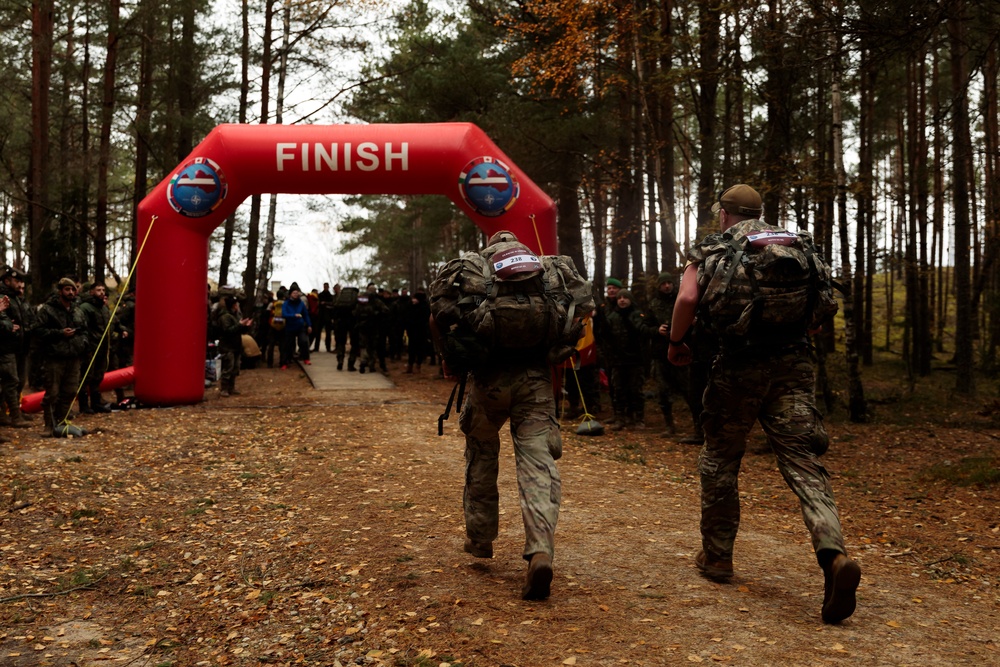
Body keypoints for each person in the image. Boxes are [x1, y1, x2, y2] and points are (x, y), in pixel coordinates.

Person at [668, 183, 860, 624]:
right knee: (803, 462)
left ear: (724, 214)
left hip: (737, 367)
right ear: (760, 212)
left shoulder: (715, 247)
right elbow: (820, 309)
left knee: (720, 458)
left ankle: (717, 556)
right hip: (792, 368)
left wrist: (676, 342)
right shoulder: (795, 246)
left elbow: (687, 298)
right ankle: (833, 555)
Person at [431, 230, 594, 601]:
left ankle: (480, 538)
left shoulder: (473, 269)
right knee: (538, 463)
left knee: (482, 453)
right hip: (535, 380)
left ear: (491, 247)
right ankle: (540, 549)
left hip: (487, 380)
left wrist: (450, 360)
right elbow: (583, 307)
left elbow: (438, 316)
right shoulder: (548, 272)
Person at [35, 278, 88, 437]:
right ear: (60, 291)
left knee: (70, 391)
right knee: (53, 392)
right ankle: (49, 425)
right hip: (55, 357)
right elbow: (38, 331)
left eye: (72, 290)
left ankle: (62, 421)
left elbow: (84, 330)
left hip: (73, 357)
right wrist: (60, 334)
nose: (70, 292)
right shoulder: (47, 310)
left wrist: (82, 343)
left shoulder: (77, 310)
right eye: (67, 289)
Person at [605, 289, 656, 430]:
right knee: (619, 390)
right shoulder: (612, 316)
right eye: (619, 298)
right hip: (617, 360)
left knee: (636, 390)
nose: (622, 300)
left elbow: (644, 332)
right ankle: (620, 418)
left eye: (625, 298)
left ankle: (638, 418)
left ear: (630, 300)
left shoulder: (637, 315)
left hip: (635, 360)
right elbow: (606, 334)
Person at [0, 266, 35, 426]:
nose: (20, 284)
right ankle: (14, 416)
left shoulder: (18, 298)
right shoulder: (3, 297)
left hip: (21, 346)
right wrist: (9, 326)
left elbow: (25, 320)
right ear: (7, 281)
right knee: (10, 380)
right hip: (6, 346)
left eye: (21, 281)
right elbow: (5, 321)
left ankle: (12, 412)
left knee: (19, 381)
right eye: (16, 280)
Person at [77, 282, 113, 413]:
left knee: (98, 375)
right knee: (87, 375)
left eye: (103, 290)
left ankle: (96, 402)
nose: (102, 292)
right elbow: (82, 327)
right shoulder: (85, 307)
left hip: (102, 346)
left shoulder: (104, 308)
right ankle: (83, 404)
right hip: (90, 347)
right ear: (92, 292)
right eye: (98, 290)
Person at [213, 295, 252, 396]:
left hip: (235, 345)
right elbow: (227, 331)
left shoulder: (235, 315)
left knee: (235, 368)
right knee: (228, 368)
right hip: (227, 346)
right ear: (233, 305)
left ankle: (231, 388)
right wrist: (240, 325)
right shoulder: (225, 317)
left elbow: (237, 330)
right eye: (236, 304)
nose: (238, 306)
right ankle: (224, 389)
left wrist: (245, 326)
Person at [280, 284, 311, 369]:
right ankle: (284, 362)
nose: (296, 295)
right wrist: (294, 315)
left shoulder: (301, 303)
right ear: (290, 294)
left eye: (297, 293)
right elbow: (284, 314)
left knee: (304, 341)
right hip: (289, 327)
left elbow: (306, 315)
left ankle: (306, 358)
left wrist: (309, 325)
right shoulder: (286, 303)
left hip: (300, 326)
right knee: (287, 345)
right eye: (294, 293)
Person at [317, 282, 335, 352]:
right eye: (324, 286)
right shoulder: (320, 295)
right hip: (321, 316)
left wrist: (325, 303)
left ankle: (328, 347)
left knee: (328, 333)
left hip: (328, 317)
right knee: (318, 332)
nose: (325, 288)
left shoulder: (330, 296)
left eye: (326, 286)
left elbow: (333, 304)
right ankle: (316, 347)